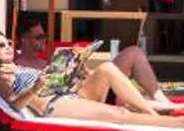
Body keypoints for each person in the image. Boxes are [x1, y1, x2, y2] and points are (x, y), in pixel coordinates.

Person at [0, 29, 184, 127]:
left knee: (106, 69)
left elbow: (59, 81)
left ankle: (162, 111)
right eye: (1, 45)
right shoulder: (1, 75)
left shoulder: (25, 66)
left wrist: (73, 71)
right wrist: (37, 86)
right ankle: (179, 123)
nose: (8, 46)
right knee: (120, 114)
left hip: (69, 93)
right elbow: (15, 104)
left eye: (8, 42)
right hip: (53, 105)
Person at [12, 21, 166, 91]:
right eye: (39, 37)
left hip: (92, 87)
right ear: (24, 39)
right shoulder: (18, 66)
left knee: (134, 51)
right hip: (83, 97)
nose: (44, 40)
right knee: (108, 67)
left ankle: (160, 99)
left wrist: (82, 70)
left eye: (44, 35)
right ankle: (158, 105)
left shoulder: (47, 60)